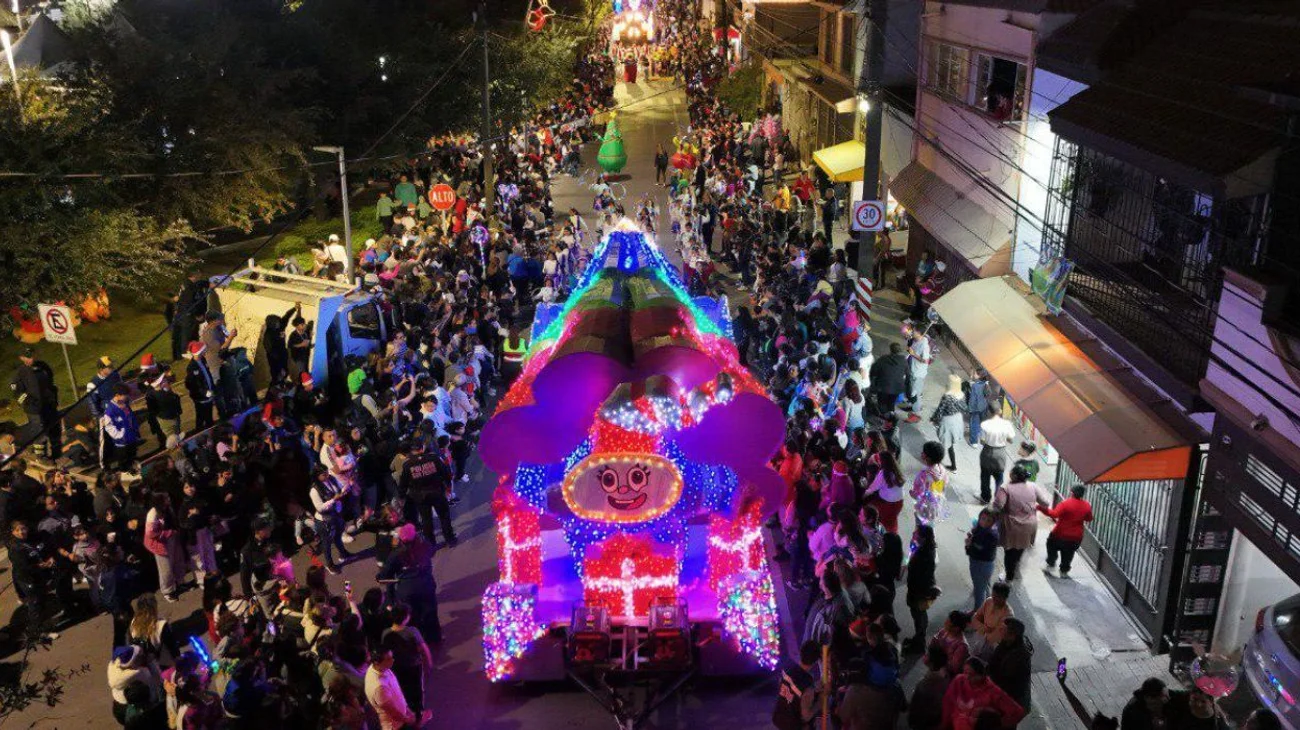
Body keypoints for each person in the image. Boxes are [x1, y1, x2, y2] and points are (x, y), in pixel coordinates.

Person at [992, 464, 1047, 581]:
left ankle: (1009, 576)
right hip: (1030, 525)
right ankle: (1014, 568)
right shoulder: (1033, 486)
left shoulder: (1005, 488)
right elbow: (1045, 503)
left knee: (1009, 552)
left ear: (1013, 476)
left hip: (1012, 526)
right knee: (1020, 549)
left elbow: (997, 506)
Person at [940, 657, 1026, 730]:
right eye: (965, 672)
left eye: (972, 675)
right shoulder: (959, 680)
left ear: (982, 675)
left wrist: (996, 724)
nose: (967, 678)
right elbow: (947, 703)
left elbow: (1018, 713)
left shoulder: (993, 691)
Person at [382, 603, 432, 726]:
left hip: (396, 668)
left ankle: (406, 713)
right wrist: (429, 663)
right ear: (406, 617)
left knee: (401, 690)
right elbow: (424, 649)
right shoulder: (412, 632)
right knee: (417, 691)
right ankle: (418, 716)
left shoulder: (386, 633)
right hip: (413, 666)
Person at [11, 347, 62, 459]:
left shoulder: (43, 366)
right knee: (39, 433)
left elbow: (51, 383)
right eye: (28, 357)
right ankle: (41, 457)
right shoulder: (20, 373)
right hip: (34, 410)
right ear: (22, 358)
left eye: (32, 355)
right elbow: (17, 393)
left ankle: (57, 453)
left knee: (55, 429)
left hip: (49, 405)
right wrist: (30, 402)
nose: (31, 359)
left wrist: (53, 397)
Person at [1039, 484, 1094, 577]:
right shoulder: (1087, 506)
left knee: (1051, 546)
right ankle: (1064, 571)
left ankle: (1051, 564)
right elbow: (1089, 518)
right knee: (1069, 554)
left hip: (1059, 534)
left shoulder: (1065, 504)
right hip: (1076, 537)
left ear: (1071, 492)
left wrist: (1041, 508)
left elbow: (1054, 514)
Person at [903, 524, 939, 653]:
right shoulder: (926, 549)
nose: (913, 535)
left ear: (923, 538)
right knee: (920, 614)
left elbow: (919, 575)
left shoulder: (924, 555)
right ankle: (919, 636)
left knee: (918, 614)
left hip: (919, 591)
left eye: (916, 533)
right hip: (920, 589)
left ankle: (920, 641)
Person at [772, 640, 821, 730]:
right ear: (815, 662)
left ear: (801, 653)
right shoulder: (807, 685)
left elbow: (791, 690)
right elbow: (806, 716)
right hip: (794, 725)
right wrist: (820, 703)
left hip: (780, 719)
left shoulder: (788, 669)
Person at [365, 646, 416, 730]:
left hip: (401, 719)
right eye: (388, 659)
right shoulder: (379, 687)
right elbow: (393, 712)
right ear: (377, 662)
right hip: (396, 725)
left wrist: (407, 709)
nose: (393, 660)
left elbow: (396, 692)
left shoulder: (380, 668)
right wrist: (408, 720)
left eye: (392, 657)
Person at [987, 617, 1032, 711]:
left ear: (1012, 635)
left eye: (1003, 629)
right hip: (1003, 693)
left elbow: (1006, 682)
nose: (1000, 630)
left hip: (1012, 702)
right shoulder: (1006, 643)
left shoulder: (1019, 656)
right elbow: (993, 662)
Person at [978, 406, 1016, 504]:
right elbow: (1011, 440)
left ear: (989, 412)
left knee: (985, 477)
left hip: (987, 452)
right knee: (999, 478)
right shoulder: (1007, 424)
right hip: (1000, 453)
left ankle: (985, 498)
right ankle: (998, 500)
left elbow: (982, 441)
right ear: (1000, 411)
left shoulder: (985, 424)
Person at [910, 644, 952, 730]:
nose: (925, 656)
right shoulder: (946, 676)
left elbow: (915, 710)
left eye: (927, 655)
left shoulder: (925, 684)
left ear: (932, 662)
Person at [100, 385, 142, 470]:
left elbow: (131, 418)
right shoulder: (110, 410)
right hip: (122, 444)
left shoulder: (125, 404)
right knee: (124, 464)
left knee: (133, 460)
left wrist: (136, 430)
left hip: (132, 439)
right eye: (124, 394)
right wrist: (120, 435)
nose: (126, 396)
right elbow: (109, 427)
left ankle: (135, 474)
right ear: (117, 395)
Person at [930, 374, 966, 471]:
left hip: (948, 421)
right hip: (958, 419)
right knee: (951, 445)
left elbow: (940, 410)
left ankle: (936, 465)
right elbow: (965, 408)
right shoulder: (962, 394)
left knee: (944, 444)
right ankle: (954, 466)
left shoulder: (947, 396)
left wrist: (933, 419)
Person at [966, 508, 1000, 610]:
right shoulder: (980, 529)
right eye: (983, 518)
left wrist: (970, 544)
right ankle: (989, 604)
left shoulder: (991, 535)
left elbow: (980, 548)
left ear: (993, 522)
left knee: (979, 590)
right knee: (984, 585)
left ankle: (978, 613)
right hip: (980, 562)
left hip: (981, 564)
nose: (984, 522)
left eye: (988, 520)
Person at [971, 582, 1013, 660]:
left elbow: (996, 636)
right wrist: (984, 628)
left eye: (996, 597)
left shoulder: (1008, 614)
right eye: (993, 595)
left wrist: (981, 627)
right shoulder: (989, 601)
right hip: (981, 638)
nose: (993, 599)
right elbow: (975, 618)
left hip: (994, 645)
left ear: (1004, 598)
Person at [869, 342, 908, 417]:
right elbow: (908, 375)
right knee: (891, 402)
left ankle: (883, 415)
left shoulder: (883, 359)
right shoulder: (904, 360)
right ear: (899, 351)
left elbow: (873, 370)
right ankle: (891, 413)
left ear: (890, 350)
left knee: (882, 402)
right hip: (897, 388)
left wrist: (873, 382)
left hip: (883, 387)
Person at [904, 323, 933, 423]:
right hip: (911, 369)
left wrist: (913, 354)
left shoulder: (924, 345)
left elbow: (925, 360)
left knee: (916, 393)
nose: (912, 332)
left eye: (914, 331)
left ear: (920, 333)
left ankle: (916, 415)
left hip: (918, 373)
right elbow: (910, 348)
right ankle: (912, 407)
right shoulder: (915, 340)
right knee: (910, 390)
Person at [1162, 686, 1228, 729]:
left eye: (1203, 701)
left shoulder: (1216, 724)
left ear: (1211, 702)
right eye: (1195, 699)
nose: (1198, 704)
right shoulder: (1185, 698)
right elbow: (1167, 692)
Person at [964, 370, 990, 446]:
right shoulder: (985, 384)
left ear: (979, 376)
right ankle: (978, 433)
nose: (974, 374)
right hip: (983, 406)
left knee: (973, 423)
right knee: (979, 422)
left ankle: (974, 442)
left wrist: (969, 409)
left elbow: (972, 399)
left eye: (975, 374)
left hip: (975, 408)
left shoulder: (975, 386)